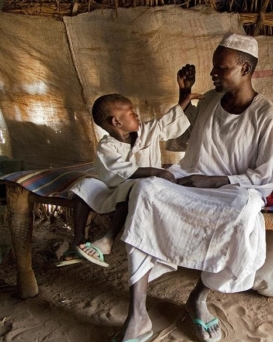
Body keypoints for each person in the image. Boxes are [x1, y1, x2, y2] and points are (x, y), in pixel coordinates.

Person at [99, 32, 273, 342]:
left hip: (230, 192)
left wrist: (215, 180)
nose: (213, 74)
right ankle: (138, 315)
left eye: (221, 68)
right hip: (190, 181)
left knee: (245, 213)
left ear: (245, 69)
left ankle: (198, 298)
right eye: (214, 67)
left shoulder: (269, 117)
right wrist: (183, 97)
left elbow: (265, 179)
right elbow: (185, 139)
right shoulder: (211, 101)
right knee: (144, 191)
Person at [61, 74, 202, 267]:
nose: (136, 115)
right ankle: (77, 238)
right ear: (116, 122)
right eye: (130, 112)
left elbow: (168, 122)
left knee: (134, 185)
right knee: (83, 186)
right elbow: (118, 171)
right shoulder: (106, 147)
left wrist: (185, 95)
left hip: (140, 189)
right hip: (115, 188)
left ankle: (108, 240)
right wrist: (158, 171)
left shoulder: (146, 131)